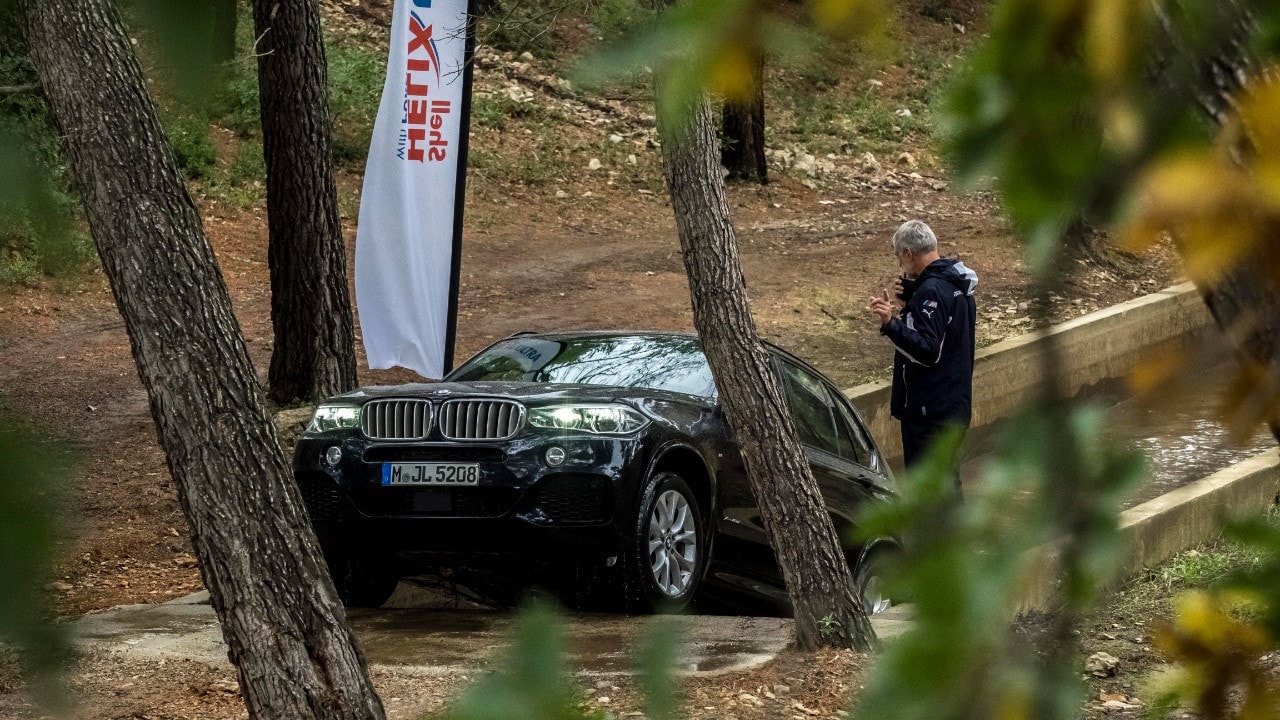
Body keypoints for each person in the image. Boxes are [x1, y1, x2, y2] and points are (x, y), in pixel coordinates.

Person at [868, 220, 978, 495]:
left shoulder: (932, 291)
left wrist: (890, 323)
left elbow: (927, 352)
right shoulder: (956, 282)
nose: (900, 264)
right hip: (953, 404)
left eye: (898, 256)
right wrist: (912, 299)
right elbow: (946, 329)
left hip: (930, 411)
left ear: (908, 253)